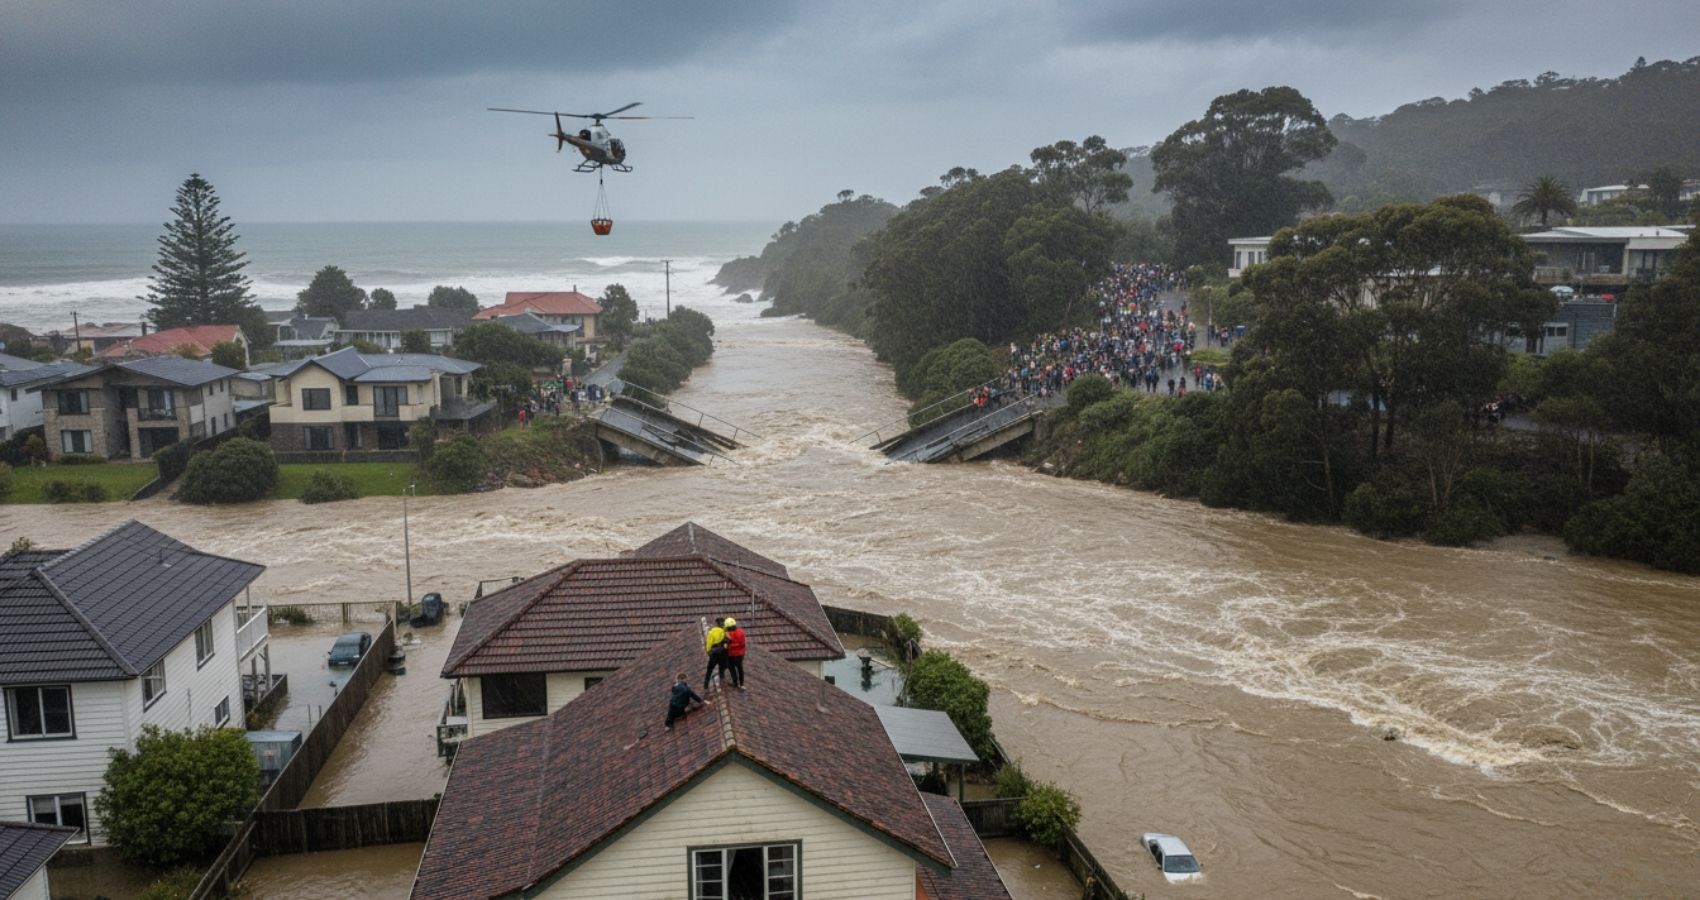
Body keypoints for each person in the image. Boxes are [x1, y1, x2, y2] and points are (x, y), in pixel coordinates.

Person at [704, 618, 729, 689]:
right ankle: (722, 683)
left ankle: (706, 685)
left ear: (716, 624)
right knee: (721, 669)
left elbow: (708, 643)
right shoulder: (724, 632)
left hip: (714, 654)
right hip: (722, 653)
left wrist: (709, 652)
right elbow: (727, 642)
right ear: (722, 624)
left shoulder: (712, 632)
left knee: (709, 670)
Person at [724, 618, 747, 690]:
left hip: (731, 655)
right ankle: (742, 684)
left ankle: (735, 683)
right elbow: (742, 643)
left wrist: (727, 646)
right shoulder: (741, 632)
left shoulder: (728, 634)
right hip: (740, 654)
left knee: (731, 668)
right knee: (740, 668)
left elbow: (728, 645)